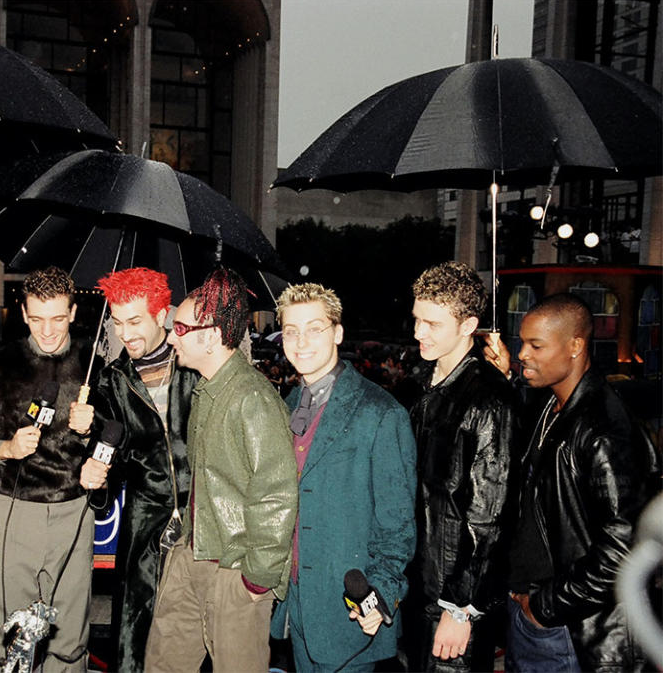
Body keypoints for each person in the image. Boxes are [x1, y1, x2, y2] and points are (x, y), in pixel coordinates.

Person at [143, 267, 298, 673]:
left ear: (211, 334)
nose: (171, 335)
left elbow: (277, 493)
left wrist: (255, 580)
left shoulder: (253, 398)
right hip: (193, 553)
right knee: (163, 663)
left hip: (234, 567)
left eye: (179, 327)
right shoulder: (206, 389)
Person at [0, 266, 101, 673]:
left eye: (56, 318)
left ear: (73, 312)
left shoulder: (97, 367)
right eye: (36, 318)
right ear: (22, 312)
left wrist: (95, 433)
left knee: (70, 640)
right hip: (14, 512)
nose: (46, 330)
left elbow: (125, 443)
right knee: (11, 638)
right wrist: (5, 447)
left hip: (75, 511)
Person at [505, 293, 658, 672]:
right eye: (523, 342)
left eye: (536, 345)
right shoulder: (550, 407)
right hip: (536, 616)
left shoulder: (604, 429)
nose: (523, 353)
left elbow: (625, 546)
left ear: (575, 346)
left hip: (574, 630)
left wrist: (545, 607)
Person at [269, 283, 417, 672]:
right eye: (291, 330)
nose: (301, 341)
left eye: (314, 328)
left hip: (349, 608)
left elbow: (397, 524)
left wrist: (381, 594)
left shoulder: (381, 414)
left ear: (337, 333)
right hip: (295, 602)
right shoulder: (285, 406)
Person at [75, 267, 201, 673]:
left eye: (134, 321)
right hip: (144, 524)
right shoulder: (113, 380)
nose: (124, 334)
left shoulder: (196, 367)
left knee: (198, 633)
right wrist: (94, 465)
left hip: (204, 519)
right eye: (116, 322)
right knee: (135, 631)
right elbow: (113, 454)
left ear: (161, 315)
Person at [405, 261, 520, 673]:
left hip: (454, 596)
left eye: (432, 324)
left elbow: (489, 516)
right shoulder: (419, 381)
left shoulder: (489, 399)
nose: (419, 332)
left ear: (468, 324)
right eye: (417, 320)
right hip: (418, 585)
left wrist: (460, 608)